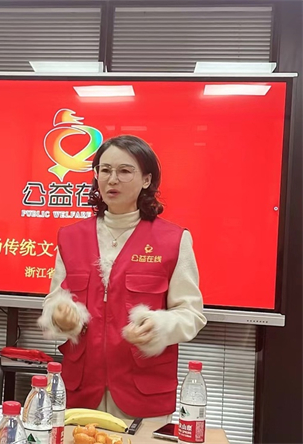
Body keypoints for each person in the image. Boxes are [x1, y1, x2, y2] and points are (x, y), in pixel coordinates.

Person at [38, 135, 206, 421]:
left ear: (146, 180)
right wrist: (61, 317)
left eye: (125, 171)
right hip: (79, 391)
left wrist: (159, 326)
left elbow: (192, 313)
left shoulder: (173, 239)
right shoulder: (70, 237)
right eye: (105, 170)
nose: (112, 179)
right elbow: (54, 300)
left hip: (144, 393)